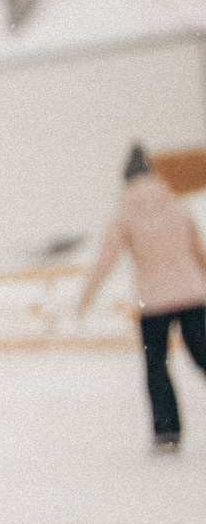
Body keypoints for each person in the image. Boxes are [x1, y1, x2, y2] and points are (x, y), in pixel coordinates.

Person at [75, 142, 206, 452]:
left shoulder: (124, 214)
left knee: (156, 366)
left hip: (153, 303)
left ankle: (167, 433)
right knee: (204, 356)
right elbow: (199, 253)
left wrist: (84, 298)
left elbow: (105, 261)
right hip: (191, 296)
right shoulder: (177, 207)